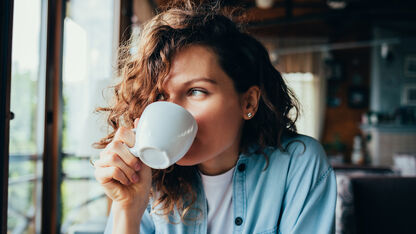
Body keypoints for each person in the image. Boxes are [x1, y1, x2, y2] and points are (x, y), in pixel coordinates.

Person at [93, 1, 337, 233]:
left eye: (196, 91)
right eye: (160, 95)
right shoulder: (148, 175)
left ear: (248, 102)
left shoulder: (298, 164)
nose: (172, 110)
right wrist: (127, 210)